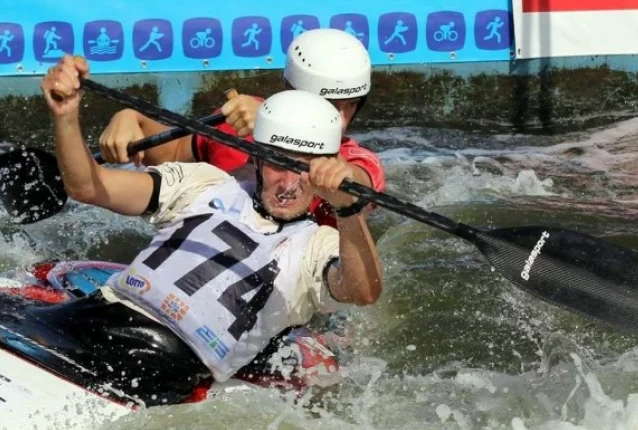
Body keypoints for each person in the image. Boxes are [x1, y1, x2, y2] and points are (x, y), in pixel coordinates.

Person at [36, 54, 382, 406]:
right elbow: (89, 188)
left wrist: (347, 205)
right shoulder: (204, 182)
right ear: (258, 156)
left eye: (304, 170)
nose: (289, 184)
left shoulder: (318, 245)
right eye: (279, 163)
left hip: (165, 360)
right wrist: (66, 116)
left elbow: (364, 292)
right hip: (93, 314)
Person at [97, 27, 385, 229]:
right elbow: (169, 151)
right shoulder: (237, 123)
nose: (342, 117)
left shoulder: (358, 161)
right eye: (329, 104)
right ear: (289, 90)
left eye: (351, 104)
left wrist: (273, 126)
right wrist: (131, 119)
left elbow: (355, 187)